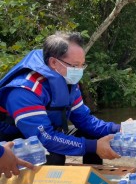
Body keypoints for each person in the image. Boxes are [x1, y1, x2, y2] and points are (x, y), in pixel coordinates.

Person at [0, 31, 123, 165]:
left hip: (48, 132)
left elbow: (85, 120)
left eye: (83, 65)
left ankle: (92, 177)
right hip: (15, 141)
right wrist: (93, 146)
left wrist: (117, 128)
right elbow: (44, 138)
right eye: (75, 66)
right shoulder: (25, 90)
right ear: (53, 62)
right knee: (54, 156)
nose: (80, 70)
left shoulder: (68, 83)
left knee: (93, 135)